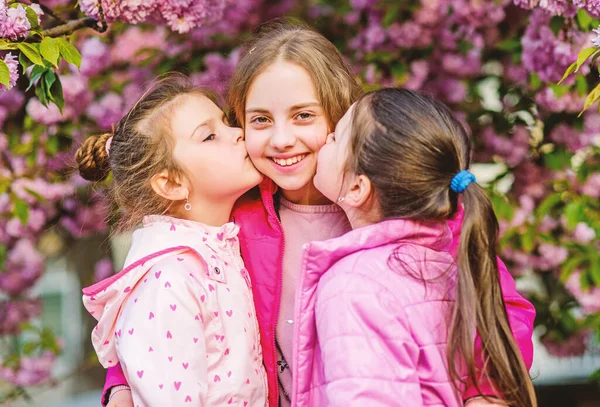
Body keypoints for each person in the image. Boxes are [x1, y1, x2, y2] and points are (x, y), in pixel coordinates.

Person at [104, 20, 535, 407]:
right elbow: (163, 311)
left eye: (304, 116)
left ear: (339, 115)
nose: (282, 139)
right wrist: (122, 383)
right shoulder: (235, 218)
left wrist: (487, 390)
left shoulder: (401, 203)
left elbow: (498, 301)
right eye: (259, 120)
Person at [291, 87, 537, 407]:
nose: (324, 140)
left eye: (336, 138)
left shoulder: (353, 285)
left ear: (356, 188)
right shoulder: (450, 268)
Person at [77, 75, 267, 406]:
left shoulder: (218, 250)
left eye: (226, 124)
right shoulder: (169, 281)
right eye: (210, 136)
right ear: (171, 184)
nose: (239, 133)